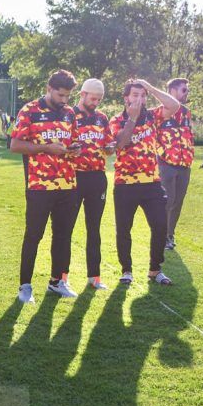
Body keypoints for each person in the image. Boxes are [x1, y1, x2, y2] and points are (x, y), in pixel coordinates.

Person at [8, 70, 80, 303]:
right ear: (49, 88)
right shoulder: (29, 110)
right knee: (34, 235)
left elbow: (73, 140)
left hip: (67, 184)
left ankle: (56, 282)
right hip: (40, 185)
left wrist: (74, 148)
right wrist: (47, 148)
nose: (64, 100)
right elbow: (16, 145)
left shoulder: (69, 113)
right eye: (60, 95)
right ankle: (25, 286)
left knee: (63, 235)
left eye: (68, 96)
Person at [108, 78, 181, 286]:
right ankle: (126, 271)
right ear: (126, 98)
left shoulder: (152, 117)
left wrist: (150, 87)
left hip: (151, 183)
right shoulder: (116, 120)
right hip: (125, 184)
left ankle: (155, 270)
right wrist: (131, 119)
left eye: (142, 95)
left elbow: (174, 106)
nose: (139, 99)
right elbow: (120, 144)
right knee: (124, 229)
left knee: (160, 226)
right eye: (135, 95)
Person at [70, 78, 115, 290]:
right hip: (74, 177)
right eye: (92, 98)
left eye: (99, 99)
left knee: (94, 228)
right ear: (82, 94)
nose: (95, 102)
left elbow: (107, 145)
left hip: (97, 178)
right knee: (66, 228)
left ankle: (94, 277)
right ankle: (61, 277)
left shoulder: (102, 118)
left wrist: (110, 147)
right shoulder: (69, 115)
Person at [156, 78, 194, 250]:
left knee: (178, 201)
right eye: (183, 90)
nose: (186, 93)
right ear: (172, 90)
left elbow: (188, 135)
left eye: (187, 90)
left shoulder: (186, 113)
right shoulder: (159, 113)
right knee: (167, 201)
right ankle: (161, 236)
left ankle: (170, 235)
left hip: (184, 164)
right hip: (166, 164)